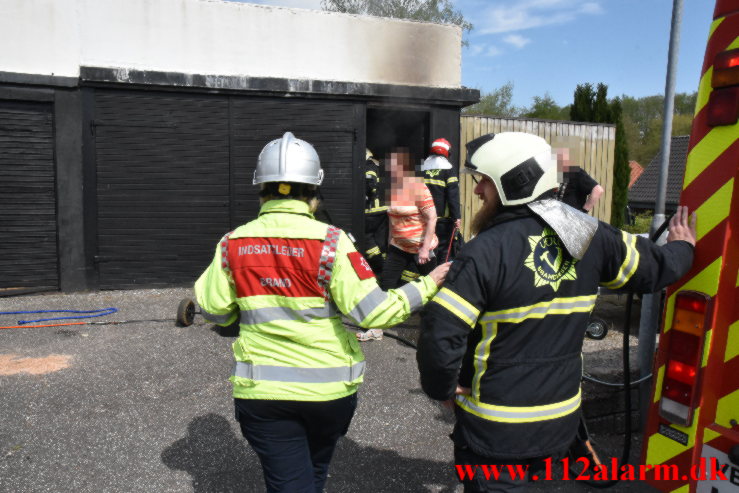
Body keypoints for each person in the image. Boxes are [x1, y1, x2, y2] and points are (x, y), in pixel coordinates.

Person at [416, 132, 697, 492]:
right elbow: (654, 268)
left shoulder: (484, 252)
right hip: (559, 427)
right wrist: (683, 249)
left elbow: (441, 334)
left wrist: (442, 388)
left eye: (483, 180)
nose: (477, 191)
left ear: (511, 183)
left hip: (495, 436)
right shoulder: (590, 235)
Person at [194, 132, 450, 493]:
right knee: (314, 472)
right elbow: (373, 313)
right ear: (313, 195)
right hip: (328, 394)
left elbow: (214, 309)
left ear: (262, 190)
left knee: (290, 482)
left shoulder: (232, 244)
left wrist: (241, 315)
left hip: (263, 394)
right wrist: (427, 284)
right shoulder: (333, 242)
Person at [357, 149, 440, 342]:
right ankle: (377, 329)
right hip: (398, 248)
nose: (392, 170)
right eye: (390, 167)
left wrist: (425, 248)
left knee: (435, 288)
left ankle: (439, 329)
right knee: (386, 285)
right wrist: (389, 245)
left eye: (395, 166)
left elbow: (432, 218)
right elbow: (392, 221)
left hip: (421, 248)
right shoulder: (393, 189)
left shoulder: (418, 187)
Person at [421, 138, 462, 260]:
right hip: (442, 220)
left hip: (423, 218)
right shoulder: (448, 169)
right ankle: (440, 277)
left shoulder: (423, 169)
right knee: (443, 251)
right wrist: (457, 217)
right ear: (446, 152)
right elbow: (453, 195)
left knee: (426, 248)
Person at [555, 147, 604, 213]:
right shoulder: (556, 174)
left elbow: (598, 190)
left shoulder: (577, 173)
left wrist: (583, 211)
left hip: (571, 218)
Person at [364, 148, 389, 275]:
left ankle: (378, 267)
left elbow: (370, 180)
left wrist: (368, 191)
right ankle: (383, 270)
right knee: (381, 241)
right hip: (384, 211)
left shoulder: (369, 165)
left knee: (367, 238)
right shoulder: (382, 167)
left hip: (371, 211)